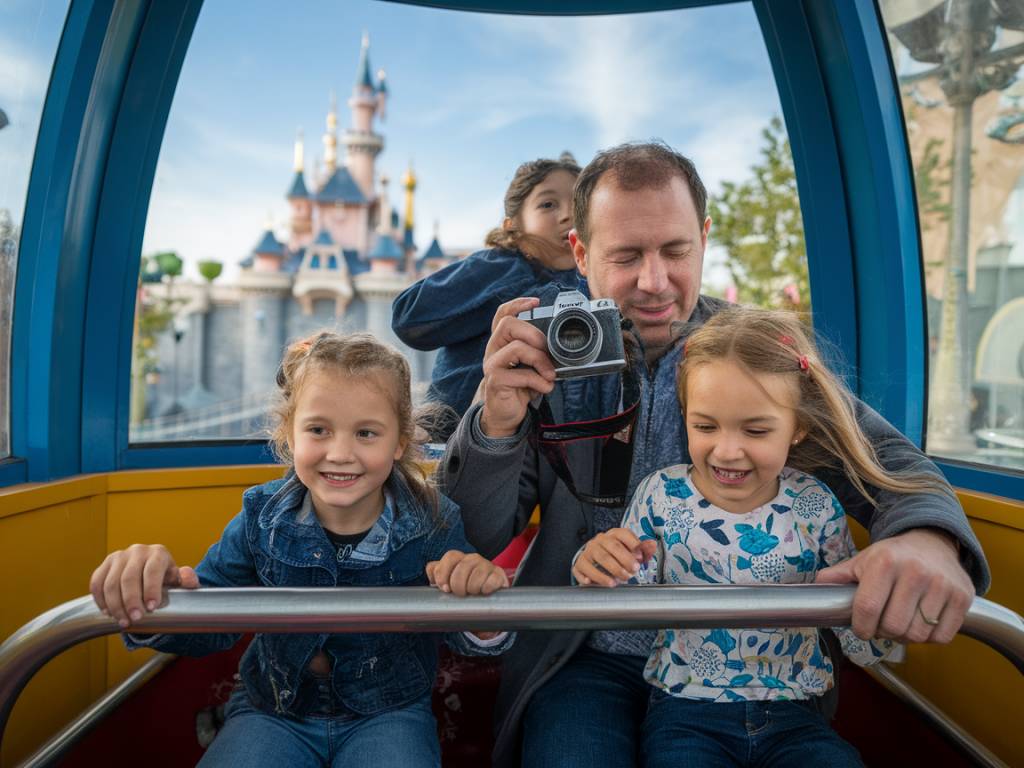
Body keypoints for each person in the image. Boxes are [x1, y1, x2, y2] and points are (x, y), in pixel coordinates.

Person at [438, 141, 989, 768]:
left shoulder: (757, 353)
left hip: (744, 664)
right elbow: (473, 537)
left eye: (675, 251)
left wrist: (927, 538)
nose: (654, 282)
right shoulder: (548, 362)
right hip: (583, 654)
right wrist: (495, 422)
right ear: (581, 254)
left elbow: (891, 462)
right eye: (626, 257)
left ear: (703, 238)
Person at [89, 331, 512, 768]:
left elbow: (469, 632)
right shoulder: (260, 517)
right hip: (273, 710)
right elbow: (210, 626)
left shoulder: (435, 520)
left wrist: (479, 606)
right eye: (318, 430)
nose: (340, 453)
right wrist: (155, 597)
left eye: (366, 433)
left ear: (400, 441)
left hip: (389, 712)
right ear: (289, 435)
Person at [571, 306, 954, 767]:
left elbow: (854, 624)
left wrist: (890, 614)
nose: (727, 450)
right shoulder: (662, 495)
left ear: (799, 428)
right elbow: (628, 596)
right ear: (685, 414)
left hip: (794, 713)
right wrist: (600, 564)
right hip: (685, 709)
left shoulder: (813, 504)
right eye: (705, 426)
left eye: (755, 430)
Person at [392, 152, 581, 433]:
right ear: (512, 225)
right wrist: (510, 280)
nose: (568, 215)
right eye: (548, 204)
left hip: (542, 451)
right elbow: (409, 316)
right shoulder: (499, 264)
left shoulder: (591, 286)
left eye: (580, 205)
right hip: (452, 433)